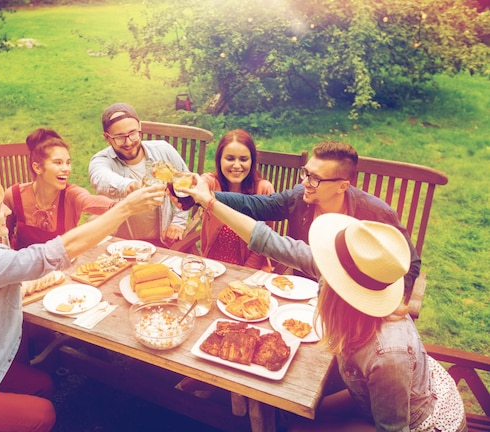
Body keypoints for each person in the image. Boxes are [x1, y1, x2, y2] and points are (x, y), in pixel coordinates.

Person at [184, 179, 467, 432]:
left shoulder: (388, 355)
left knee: (297, 427)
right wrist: (208, 200)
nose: (322, 268)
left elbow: (392, 427)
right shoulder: (345, 269)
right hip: (365, 392)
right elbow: (267, 240)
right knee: (293, 416)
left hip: (415, 421)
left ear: (344, 290)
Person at [0, 176, 164, 432]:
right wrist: (126, 207)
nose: (8, 213)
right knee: (42, 414)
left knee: (41, 384)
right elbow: (61, 249)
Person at [209, 140, 420, 298]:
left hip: (352, 300)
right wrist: (208, 196)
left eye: (316, 178)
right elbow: (257, 205)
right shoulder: (300, 197)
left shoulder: (375, 214)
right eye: (306, 173)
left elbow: (410, 263)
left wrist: (390, 300)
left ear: (342, 186)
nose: (306, 183)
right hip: (301, 293)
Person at [88, 102, 190, 248]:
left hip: (161, 241)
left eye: (133, 133)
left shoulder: (164, 150)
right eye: (120, 137)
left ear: (140, 128)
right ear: (107, 137)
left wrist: (178, 223)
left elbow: (185, 185)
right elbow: (101, 178)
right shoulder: (101, 161)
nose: (128, 142)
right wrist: (131, 186)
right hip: (120, 243)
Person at [4, 128, 115, 250]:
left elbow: (87, 200)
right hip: (23, 266)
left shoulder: (70, 194)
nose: (67, 169)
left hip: (62, 268)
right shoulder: (14, 195)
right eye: (58, 163)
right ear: (37, 168)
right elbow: (2, 238)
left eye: (68, 163)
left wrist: (121, 205)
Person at [198, 129, 274, 270]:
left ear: (252, 161)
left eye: (243, 159)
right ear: (219, 159)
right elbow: (199, 184)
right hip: (212, 268)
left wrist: (243, 273)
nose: (237, 165)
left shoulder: (263, 189)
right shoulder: (212, 184)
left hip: (251, 271)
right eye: (230, 158)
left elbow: (264, 244)